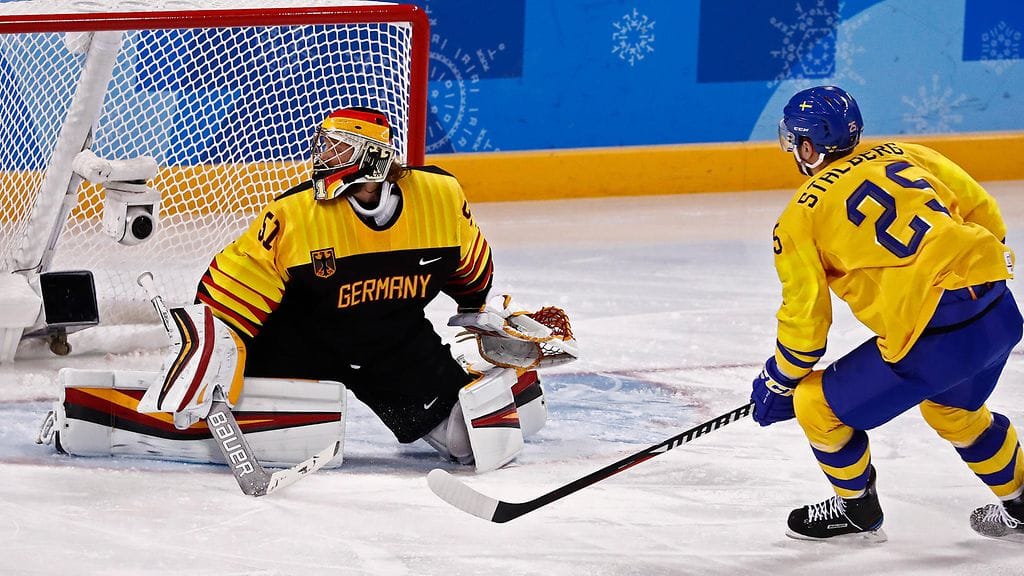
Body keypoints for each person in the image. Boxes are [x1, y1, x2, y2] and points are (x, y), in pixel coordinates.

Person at [193, 106, 575, 471]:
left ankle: (487, 380)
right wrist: (212, 356)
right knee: (248, 430)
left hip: (390, 342)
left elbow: (470, 267)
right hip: (299, 339)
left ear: (375, 159)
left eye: (339, 147)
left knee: (465, 443)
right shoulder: (294, 214)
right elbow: (235, 286)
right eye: (325, 145)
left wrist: (477, 304)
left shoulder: (438, 198)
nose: (324, 156)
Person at [750, 85, 1024, 543]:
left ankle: (856, 511)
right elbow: (984, 212)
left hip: (934, 338)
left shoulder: (799, 218)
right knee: (955, 412)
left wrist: (779, 380)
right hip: (999, 310)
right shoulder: (906, 153)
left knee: (815, 406)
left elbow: (806, 328)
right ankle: (1023, 502)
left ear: (809, 147)